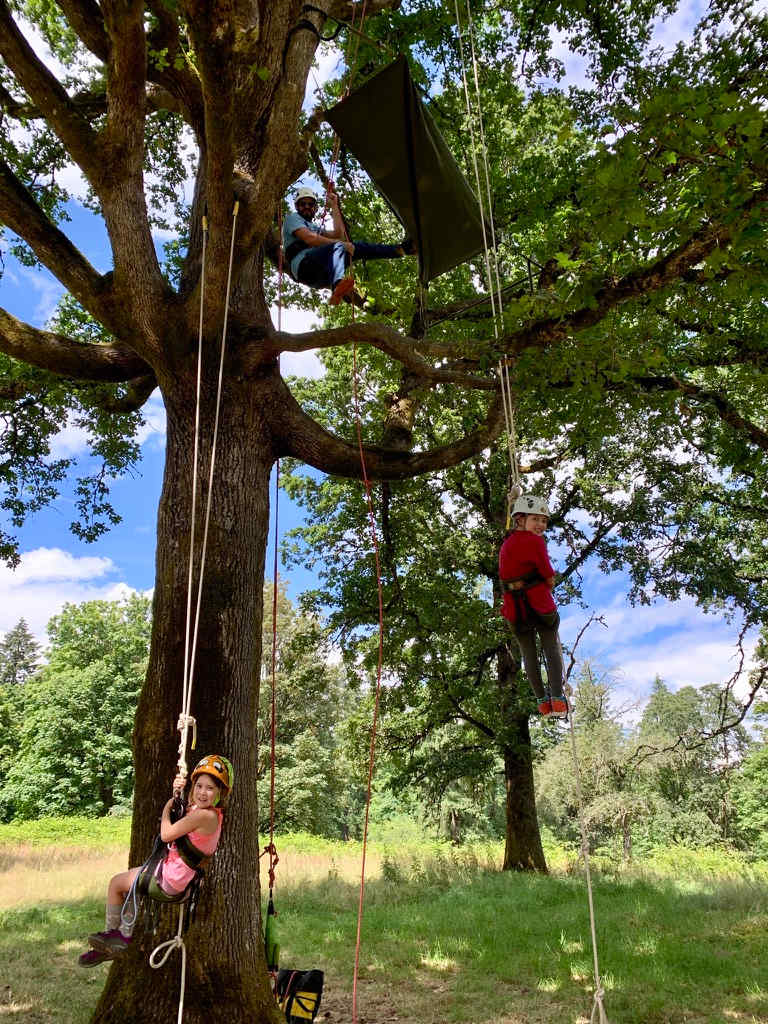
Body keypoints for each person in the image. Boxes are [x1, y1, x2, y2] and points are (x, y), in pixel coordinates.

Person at [78, 754, 233, 967]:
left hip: (170, 880)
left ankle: (118, 937)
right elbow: (186, 810)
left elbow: (167, 834)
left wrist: (166, 807)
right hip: (177, 878)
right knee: (127, 881)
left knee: (116, 883)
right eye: (198, 786)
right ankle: (114, 940)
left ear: (220, 793)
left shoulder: (203, 816)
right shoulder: (210, 814)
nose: (202, 792)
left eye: (210, 788)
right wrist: (178, 790)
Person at [282, 184, 413, 305]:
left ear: (315, 208)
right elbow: (310, 239)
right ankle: (338, 285)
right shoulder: (293, 219)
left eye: (310, 204)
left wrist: (334, 205)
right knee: (339, 246)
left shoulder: (315, 227)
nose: (306, 207)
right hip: (304, 267)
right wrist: (341, 244)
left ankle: (402, 250)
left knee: (359, 247)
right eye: (302, 204)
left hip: (321, 275)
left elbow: (339, 234)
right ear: (297, 206)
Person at [499, 495, 568, 718]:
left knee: (528, 655)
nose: (541, 525)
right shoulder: (535, 541)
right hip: (539, 604)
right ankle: (557, 700)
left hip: (515, 610)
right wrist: (548, 583)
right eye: (536, 519)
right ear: (520, 519)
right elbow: (548, 574)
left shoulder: (506, 546)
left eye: (544, 521)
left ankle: (542, 703)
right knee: (552, 650)